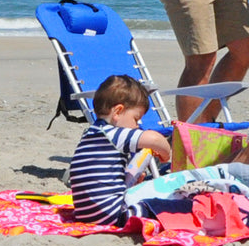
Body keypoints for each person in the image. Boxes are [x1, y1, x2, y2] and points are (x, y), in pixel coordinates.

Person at [67, 75, 173, 226]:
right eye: (136, 119)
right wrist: (166, 154)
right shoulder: (115, 134)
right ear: (118, 112)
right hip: (113, 213)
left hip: (85, 213)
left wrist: (129, 181)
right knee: (161, 205)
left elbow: (102, 179)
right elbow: (155, 139)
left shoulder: (90, 134)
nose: (137, 126)